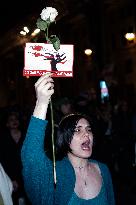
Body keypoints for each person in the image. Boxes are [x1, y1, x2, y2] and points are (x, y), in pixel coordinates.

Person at [21, 73, 115, 205]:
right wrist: (41, 103)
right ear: (65, 138)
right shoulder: (55, 173)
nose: (86, 134)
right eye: (77, 130)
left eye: (88, 129)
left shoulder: (103, 170)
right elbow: (32, 158)